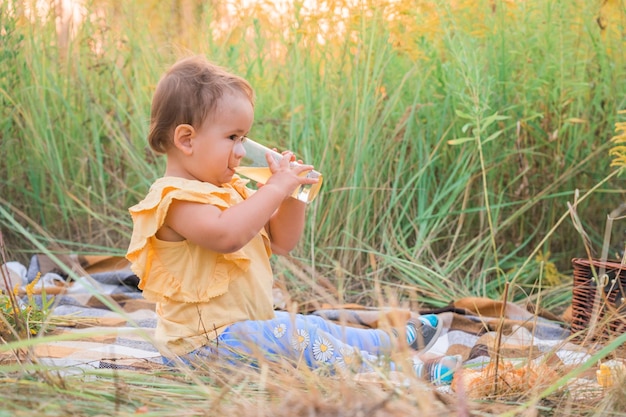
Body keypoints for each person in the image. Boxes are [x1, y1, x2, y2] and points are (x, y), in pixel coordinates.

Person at [126, 55, 459, 384]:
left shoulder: (232, 192)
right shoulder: (175, 199)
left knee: (311, 327)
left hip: (245, 333)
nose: (242, 152)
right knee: (301, 339)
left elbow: (283, 242)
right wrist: (273, 187)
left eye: (244, 139)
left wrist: (291, 196)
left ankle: (388, 343)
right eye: (232, 137)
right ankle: (396, 374)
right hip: (201, 348)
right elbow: (226, 235)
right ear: (186, 139)